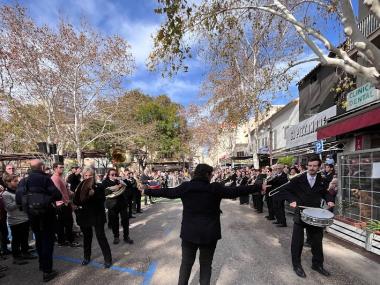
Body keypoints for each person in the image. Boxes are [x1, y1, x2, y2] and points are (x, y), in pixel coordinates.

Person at [143, 163, 261, 285]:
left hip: (189, 233)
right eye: (211, 175)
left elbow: (167, 192)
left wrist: (147, 191)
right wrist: (257, 187)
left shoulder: (186, 187)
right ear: (206, 174)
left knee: (186, 265)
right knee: (205, 265)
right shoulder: (214, 188)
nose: (212, 177)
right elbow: (235, 191)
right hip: (209, 234)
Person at [283, 155, 334, 278]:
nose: (312, 168)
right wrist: (292, 200)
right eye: (310, 166)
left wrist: (329, 200)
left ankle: (317, 264)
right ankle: (297, 265)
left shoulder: (322, 180)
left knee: (317, 241)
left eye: (314, 166)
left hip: (315, 215)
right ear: (307, 166)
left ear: (319, 167)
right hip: (300, 214)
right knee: (297, 242)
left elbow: (325, 193)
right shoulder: (298, 179)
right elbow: (286, 190)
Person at [16, 159, 62, 282]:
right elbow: (58, 195)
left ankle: (42, 265)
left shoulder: (24, 181)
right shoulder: (45, 179)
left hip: (32, 216)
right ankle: (47, 271)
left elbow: (18, 200)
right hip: (47, 215)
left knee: (39, 240)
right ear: (41, 167)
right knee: (47, 241)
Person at [73, 168, 112, 268]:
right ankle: (87, 257)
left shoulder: (99, 186)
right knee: (87, 238)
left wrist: (93, 194)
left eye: (90, 175)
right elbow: (77, 201)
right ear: (83, 176)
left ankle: (108, 259)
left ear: (93, 176)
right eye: (86, 175)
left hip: (97, 215)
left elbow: (102, 199)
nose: (88, 177)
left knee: (101, 236)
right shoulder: (80, 187)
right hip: (85, 216)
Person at [2, 173, 37, 265]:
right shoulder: (6, 194)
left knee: (24, 238)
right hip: (15, 220)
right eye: (15, 181)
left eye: (18, 180)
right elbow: (9, 207)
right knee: (16, 240)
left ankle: (25, 252)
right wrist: (20, 201)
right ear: (8, 183)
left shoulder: (19, 191)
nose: (17, 182)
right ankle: (16, 257)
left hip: (24, 218)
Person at [51, 163, 79, 247]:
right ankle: (68, 241)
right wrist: (67, 202)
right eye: (60, 167)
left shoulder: (61, 177)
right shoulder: (55, 178)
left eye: (63, 167)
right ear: (55, 168)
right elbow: (58, 193)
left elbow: (66, 190)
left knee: (65, 224)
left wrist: (73, 194)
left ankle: (63, 241)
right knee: (66, 224)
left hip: (65, 203)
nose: (62, 169)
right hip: (62, 204)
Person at [102, 169, 133, 245]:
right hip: (112, 204)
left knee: (125, 220)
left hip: (122, 203)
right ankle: (116, 237)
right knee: (114, 222)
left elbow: (129, 185)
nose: (114, 176)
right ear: (108, 175)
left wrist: (123, 179)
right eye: (112, 174)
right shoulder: (105, 182)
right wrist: (117, 187)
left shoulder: (119, 180)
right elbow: (106, 191)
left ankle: (126, 236)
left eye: (115, 174)